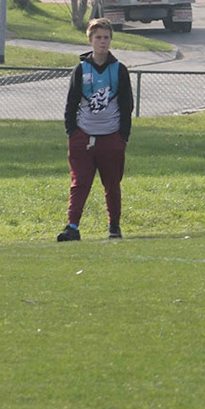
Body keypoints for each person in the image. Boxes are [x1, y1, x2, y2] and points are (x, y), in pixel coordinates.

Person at [59, 17, 133, 241]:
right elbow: (71, 104)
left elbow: (127, 105)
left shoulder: (119, 70)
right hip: (83, 135)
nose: (102, 42)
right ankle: (72, 226)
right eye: (98, 37)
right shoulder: (81, 70)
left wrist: (122, 136)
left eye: (106, 37)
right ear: (90, 40)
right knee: (80, 182)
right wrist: (73, 132)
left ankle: (114, 226)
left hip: (111, 136)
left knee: (112, 184)